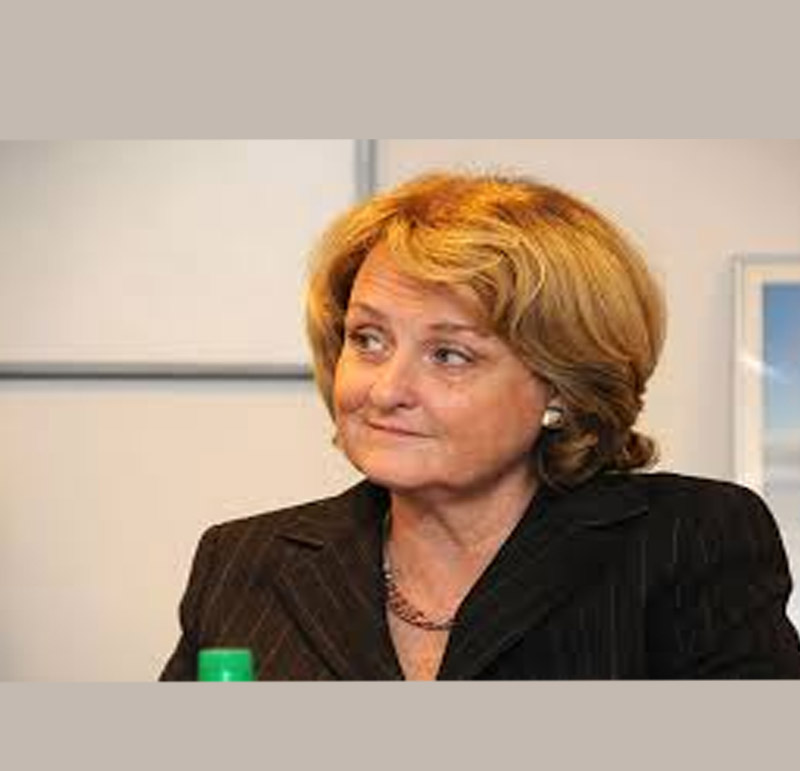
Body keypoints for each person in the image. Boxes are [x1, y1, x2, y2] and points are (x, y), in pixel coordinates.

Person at [160, 172, 800, 680]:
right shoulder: (244, 560)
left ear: (561, 385)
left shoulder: (686, 541)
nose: (385, 390)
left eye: (449, 355)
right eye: (368, 339)